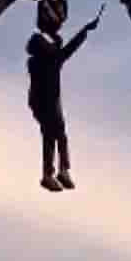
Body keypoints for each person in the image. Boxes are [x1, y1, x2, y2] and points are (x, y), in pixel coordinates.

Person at [26, 10, 99, 192]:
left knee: (51, 136)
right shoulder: (50, 60)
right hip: (48, 101)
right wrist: (84, 31)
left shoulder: (37, 61)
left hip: (40, 101)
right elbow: (67, 49)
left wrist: (82, 31)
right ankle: (60, 171)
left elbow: (62, 49)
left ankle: (51, 173)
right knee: (58, 136)